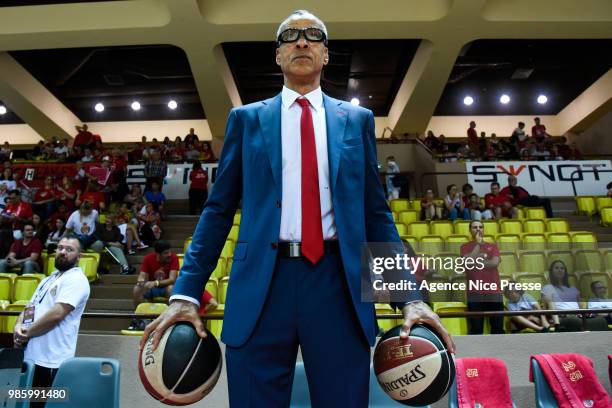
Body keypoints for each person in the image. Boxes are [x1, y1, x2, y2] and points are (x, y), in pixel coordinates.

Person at [140, 10, 452, 408]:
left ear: (325, 55)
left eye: (313, 36)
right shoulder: (246, 120)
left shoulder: (357, 120)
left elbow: (375, 215)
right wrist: (185, 292)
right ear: (278, 56)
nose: (301, 42)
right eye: (290, 36)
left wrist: (408, 296)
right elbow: (217, 211)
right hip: (262, 289)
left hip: (337, 285)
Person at [13, 236, 90, 408]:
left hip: (52, 361)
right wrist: (19, 327)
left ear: (79, 256)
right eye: (60, 248)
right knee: (24, 404)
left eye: (69, 249)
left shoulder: (76, 279)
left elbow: (57, 313)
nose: (63, 252)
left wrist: (27, 333)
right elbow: (29, 308)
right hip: (31, 357)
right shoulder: (48, 279)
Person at [460, 220, 505, 334]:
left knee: (497, 328)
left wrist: (475, 262)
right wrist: (478, 245)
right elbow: (467, 263)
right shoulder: (465, 247)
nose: (478, 229)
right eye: (475, 227)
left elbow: (494, 263)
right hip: (475, 292)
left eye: (480, 227)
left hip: (494, 292)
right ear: (470, 230)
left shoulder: (492, 246)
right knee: (476, 329)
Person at [133, 240, 178, 305]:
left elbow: (172, 280)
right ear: (158, 254)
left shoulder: (173, 258)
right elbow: (142, 275)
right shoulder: (148, 258)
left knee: (171, 288)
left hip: (166, 287)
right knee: (137, 289)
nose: (169, 254)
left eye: (169, 252)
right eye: (166, 253)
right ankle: (141, 313)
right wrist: (141, 281)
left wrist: (156, 283)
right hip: (152, 288)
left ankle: (171, 313)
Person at [541, 260, 582, 332]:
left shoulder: (573, 289)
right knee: (574, 320)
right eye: (556, 268)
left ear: (565, 272)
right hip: (561, 318)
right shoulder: (548, 287)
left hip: (577, 316)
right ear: (552, 272)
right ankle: (558, 327)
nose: (559, 270)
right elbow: (547, 306)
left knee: (599, 320)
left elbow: (580, 307)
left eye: (562, 268)